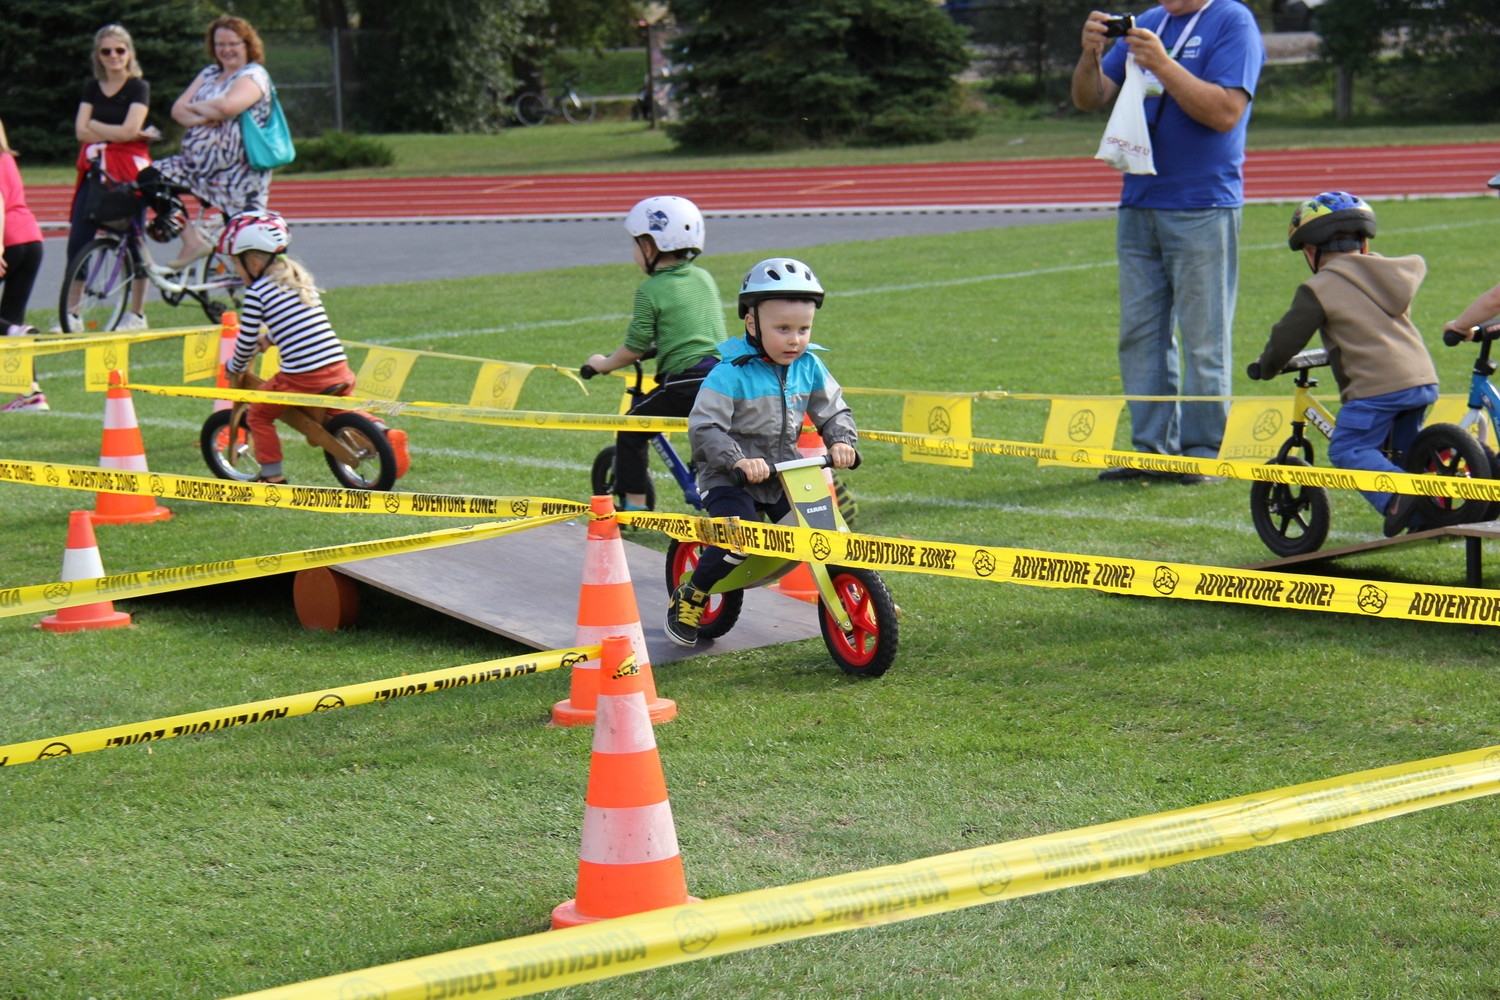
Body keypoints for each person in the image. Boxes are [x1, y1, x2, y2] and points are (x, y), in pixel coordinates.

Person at [1071, 2, 1265, 484]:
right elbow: (1089, 99)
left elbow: (1224, 112)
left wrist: (1162, 63)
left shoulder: (1231, 19)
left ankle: (1203, 450)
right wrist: (1090, 55)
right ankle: (1151, 449)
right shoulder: (1150, 21)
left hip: (1202, 202)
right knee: (1140, 335)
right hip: (1139, 199)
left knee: (1204, 336)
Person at [665, 257, 858, 647]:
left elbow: (834, 409)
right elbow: (705, 427)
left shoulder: (810, 366)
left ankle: (856, 598)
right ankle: (692, 593)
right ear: (752, 323)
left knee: (825, 531)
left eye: (803, 329)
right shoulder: (729, 372)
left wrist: (840, 440)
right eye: (782, 329)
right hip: (728, 475)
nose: (795, 340)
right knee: (737, 537)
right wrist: (736, 459)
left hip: (781, 474)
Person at [1249, 192, 1437, 538]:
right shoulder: (1387, 273)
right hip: (1421, 379)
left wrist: (1268, 365)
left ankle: (1402, 495)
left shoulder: (1320, 287)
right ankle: (1425, 515)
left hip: (1376, 387)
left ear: (1311, 251)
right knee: (1403, 454)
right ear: (1364, 244)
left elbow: (1288, 336)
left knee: (1349, 448)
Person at [220, 213, 407, 484]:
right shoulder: (297, 279)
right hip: (338, 367)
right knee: (336, 410)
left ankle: (272, 477)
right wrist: (271, 338)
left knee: (259, 413)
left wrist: (234, 367)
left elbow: (247, 339)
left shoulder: (257, 292)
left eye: (236, 264)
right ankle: (383, 434)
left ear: (254, 262)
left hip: (303, 376)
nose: (236, 271)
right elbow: (298, 321)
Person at [581, 195, 726, 510]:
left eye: (636, 244)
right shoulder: (704, 278)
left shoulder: (650, 290)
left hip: (685, 382)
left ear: (651, 246)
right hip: (723, 377)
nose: (634, 253)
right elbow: (697, 330)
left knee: (631, 427)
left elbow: (633, 348)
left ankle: (634, 504)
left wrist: (601, 364)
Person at [143, 15, 274, 271]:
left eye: (233, 43)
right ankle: (192, 242)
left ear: (247, 44)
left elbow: (228, 106)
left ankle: (263, 297)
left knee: (248, 249)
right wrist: (207, 113)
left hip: (238, 176)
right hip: (195, 167)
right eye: (220, 44)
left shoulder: (254, 75)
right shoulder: (209, 73)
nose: (226, 50)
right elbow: (178, 111)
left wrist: (198, 109)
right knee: (150, 179)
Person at [57, 24, 159, 333]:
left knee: (133, 238)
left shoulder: (138, 87)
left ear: (129, 53)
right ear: (98, 56)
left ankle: (137, 313)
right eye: (106, 51)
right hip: (97, 171)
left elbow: (128, 131)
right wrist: (115, 133)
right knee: (79, 239)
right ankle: (71, 314)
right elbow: (79, 132)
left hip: (128, 173)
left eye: (119, 50)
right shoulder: (93, 87)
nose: (113, 56)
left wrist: (97, 128)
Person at [0, 119, 48, 413]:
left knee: (9, 327)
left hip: (9, 241)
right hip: (32, 239)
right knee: (11, 318)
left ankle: (12, 332)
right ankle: (31, 394)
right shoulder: (6, 158)